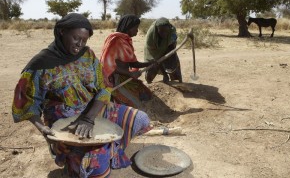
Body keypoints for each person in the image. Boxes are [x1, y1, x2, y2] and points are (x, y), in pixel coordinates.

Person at [11, 13, 151, 178]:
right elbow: (26, 102)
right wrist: (43, 129)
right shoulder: (40, 64)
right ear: (62, 32)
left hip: (94, 110)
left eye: (84, 40)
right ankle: (77, 163)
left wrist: (88, 118)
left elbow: (105, 87)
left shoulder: (88, 56)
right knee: (96, 165)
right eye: (76, 38)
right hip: (64, 119)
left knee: (141, 119)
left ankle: (107, 152)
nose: (80, 44)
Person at [100, 14, 155, 108]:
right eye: (135, 28)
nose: (137, 30)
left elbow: (134, 63)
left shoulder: (126, 41)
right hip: (114, 80)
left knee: (147, 95)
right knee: (136, 105)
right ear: (128, 27)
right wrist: (130, 74)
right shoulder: (116, 40)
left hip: (125, 77)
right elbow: (107, 65)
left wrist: (150, 63)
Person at [144, 17, 183, 84]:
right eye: (161, 31)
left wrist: (170, 48)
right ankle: (149, 82)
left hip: (168, 47)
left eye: (166, 31)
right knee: (153, 65)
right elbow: (156, 58)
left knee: (173, 63)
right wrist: (165, 75)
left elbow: (173, 42)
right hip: (154, 53)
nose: (164, 33)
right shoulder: (150, 38)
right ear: (157, 29)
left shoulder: (172, 31)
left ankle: (176, 80)